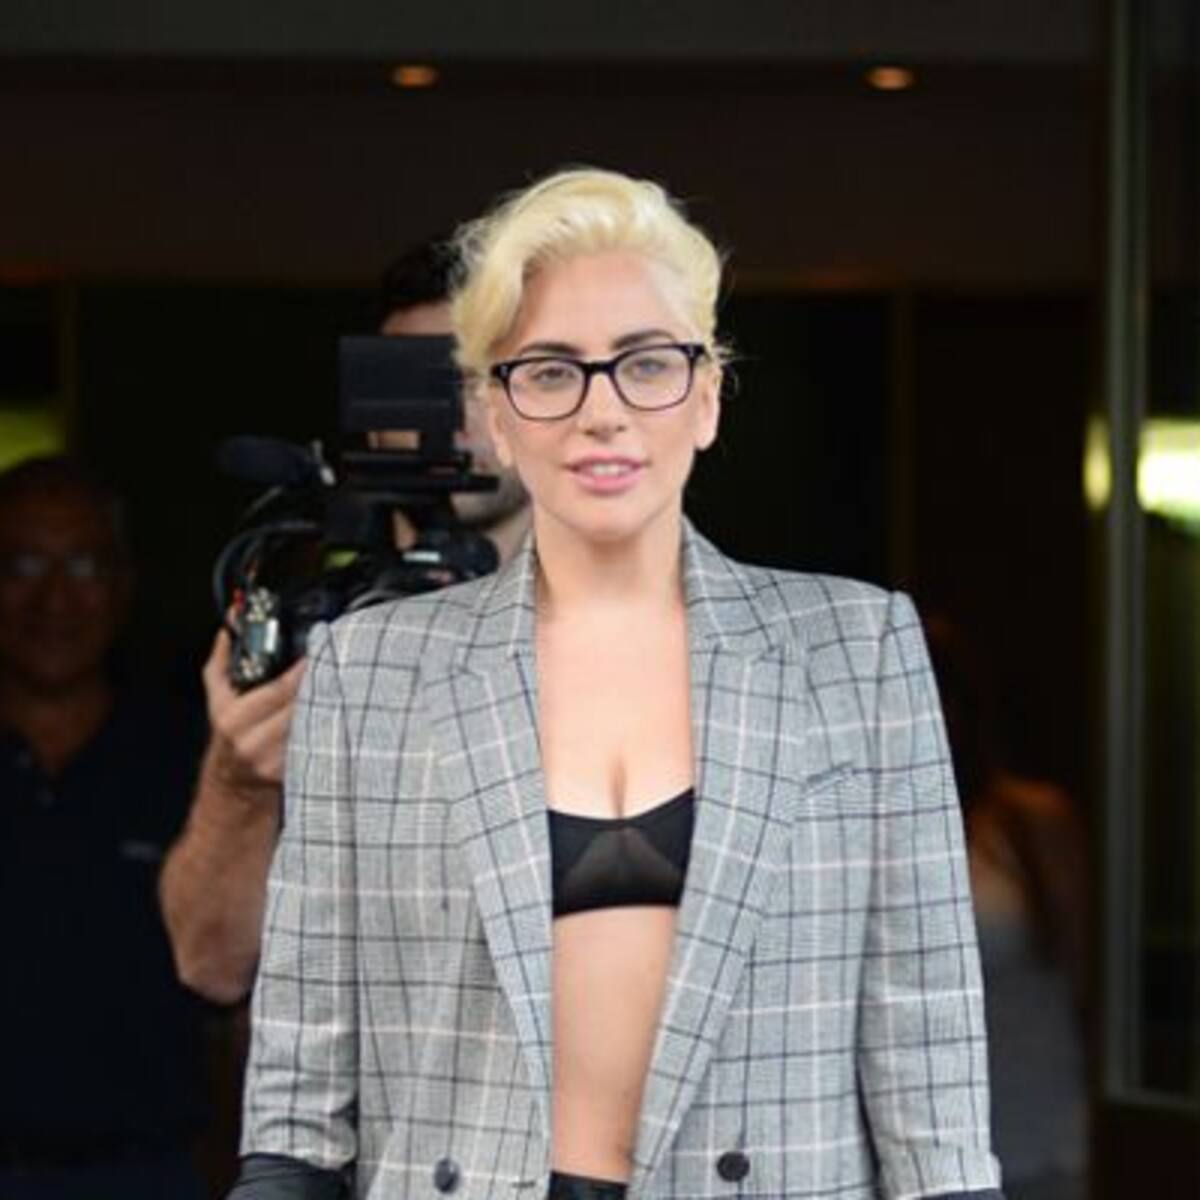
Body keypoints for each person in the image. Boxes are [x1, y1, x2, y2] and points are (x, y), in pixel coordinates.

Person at [231, 168, 1005, 1199]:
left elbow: (929, 1060)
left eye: (646, 364)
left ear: (708, 396)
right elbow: (300, 1088)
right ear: (498, 413)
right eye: (551, 371)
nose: (602, 413)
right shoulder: (372, 670)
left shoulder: (856, 651)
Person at [159, 240, 531, 1006]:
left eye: (481, 374)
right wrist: (239, 783)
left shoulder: (631, 628)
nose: (452, 414)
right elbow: (210, 963)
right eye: (414, 381)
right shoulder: (315, 626)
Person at [0, 456, 208, 1199]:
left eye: (84, 566)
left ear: (123, 585)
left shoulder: (195, 763)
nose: (54, 600)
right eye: (22, 566)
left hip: (150, 1174)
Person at [925, 616, 1088, 1200]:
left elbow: (1084, 972)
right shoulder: (864, 822)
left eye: (938, 694)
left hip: (1039, 1119)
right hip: (925, 1133)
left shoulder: (1029, 822)